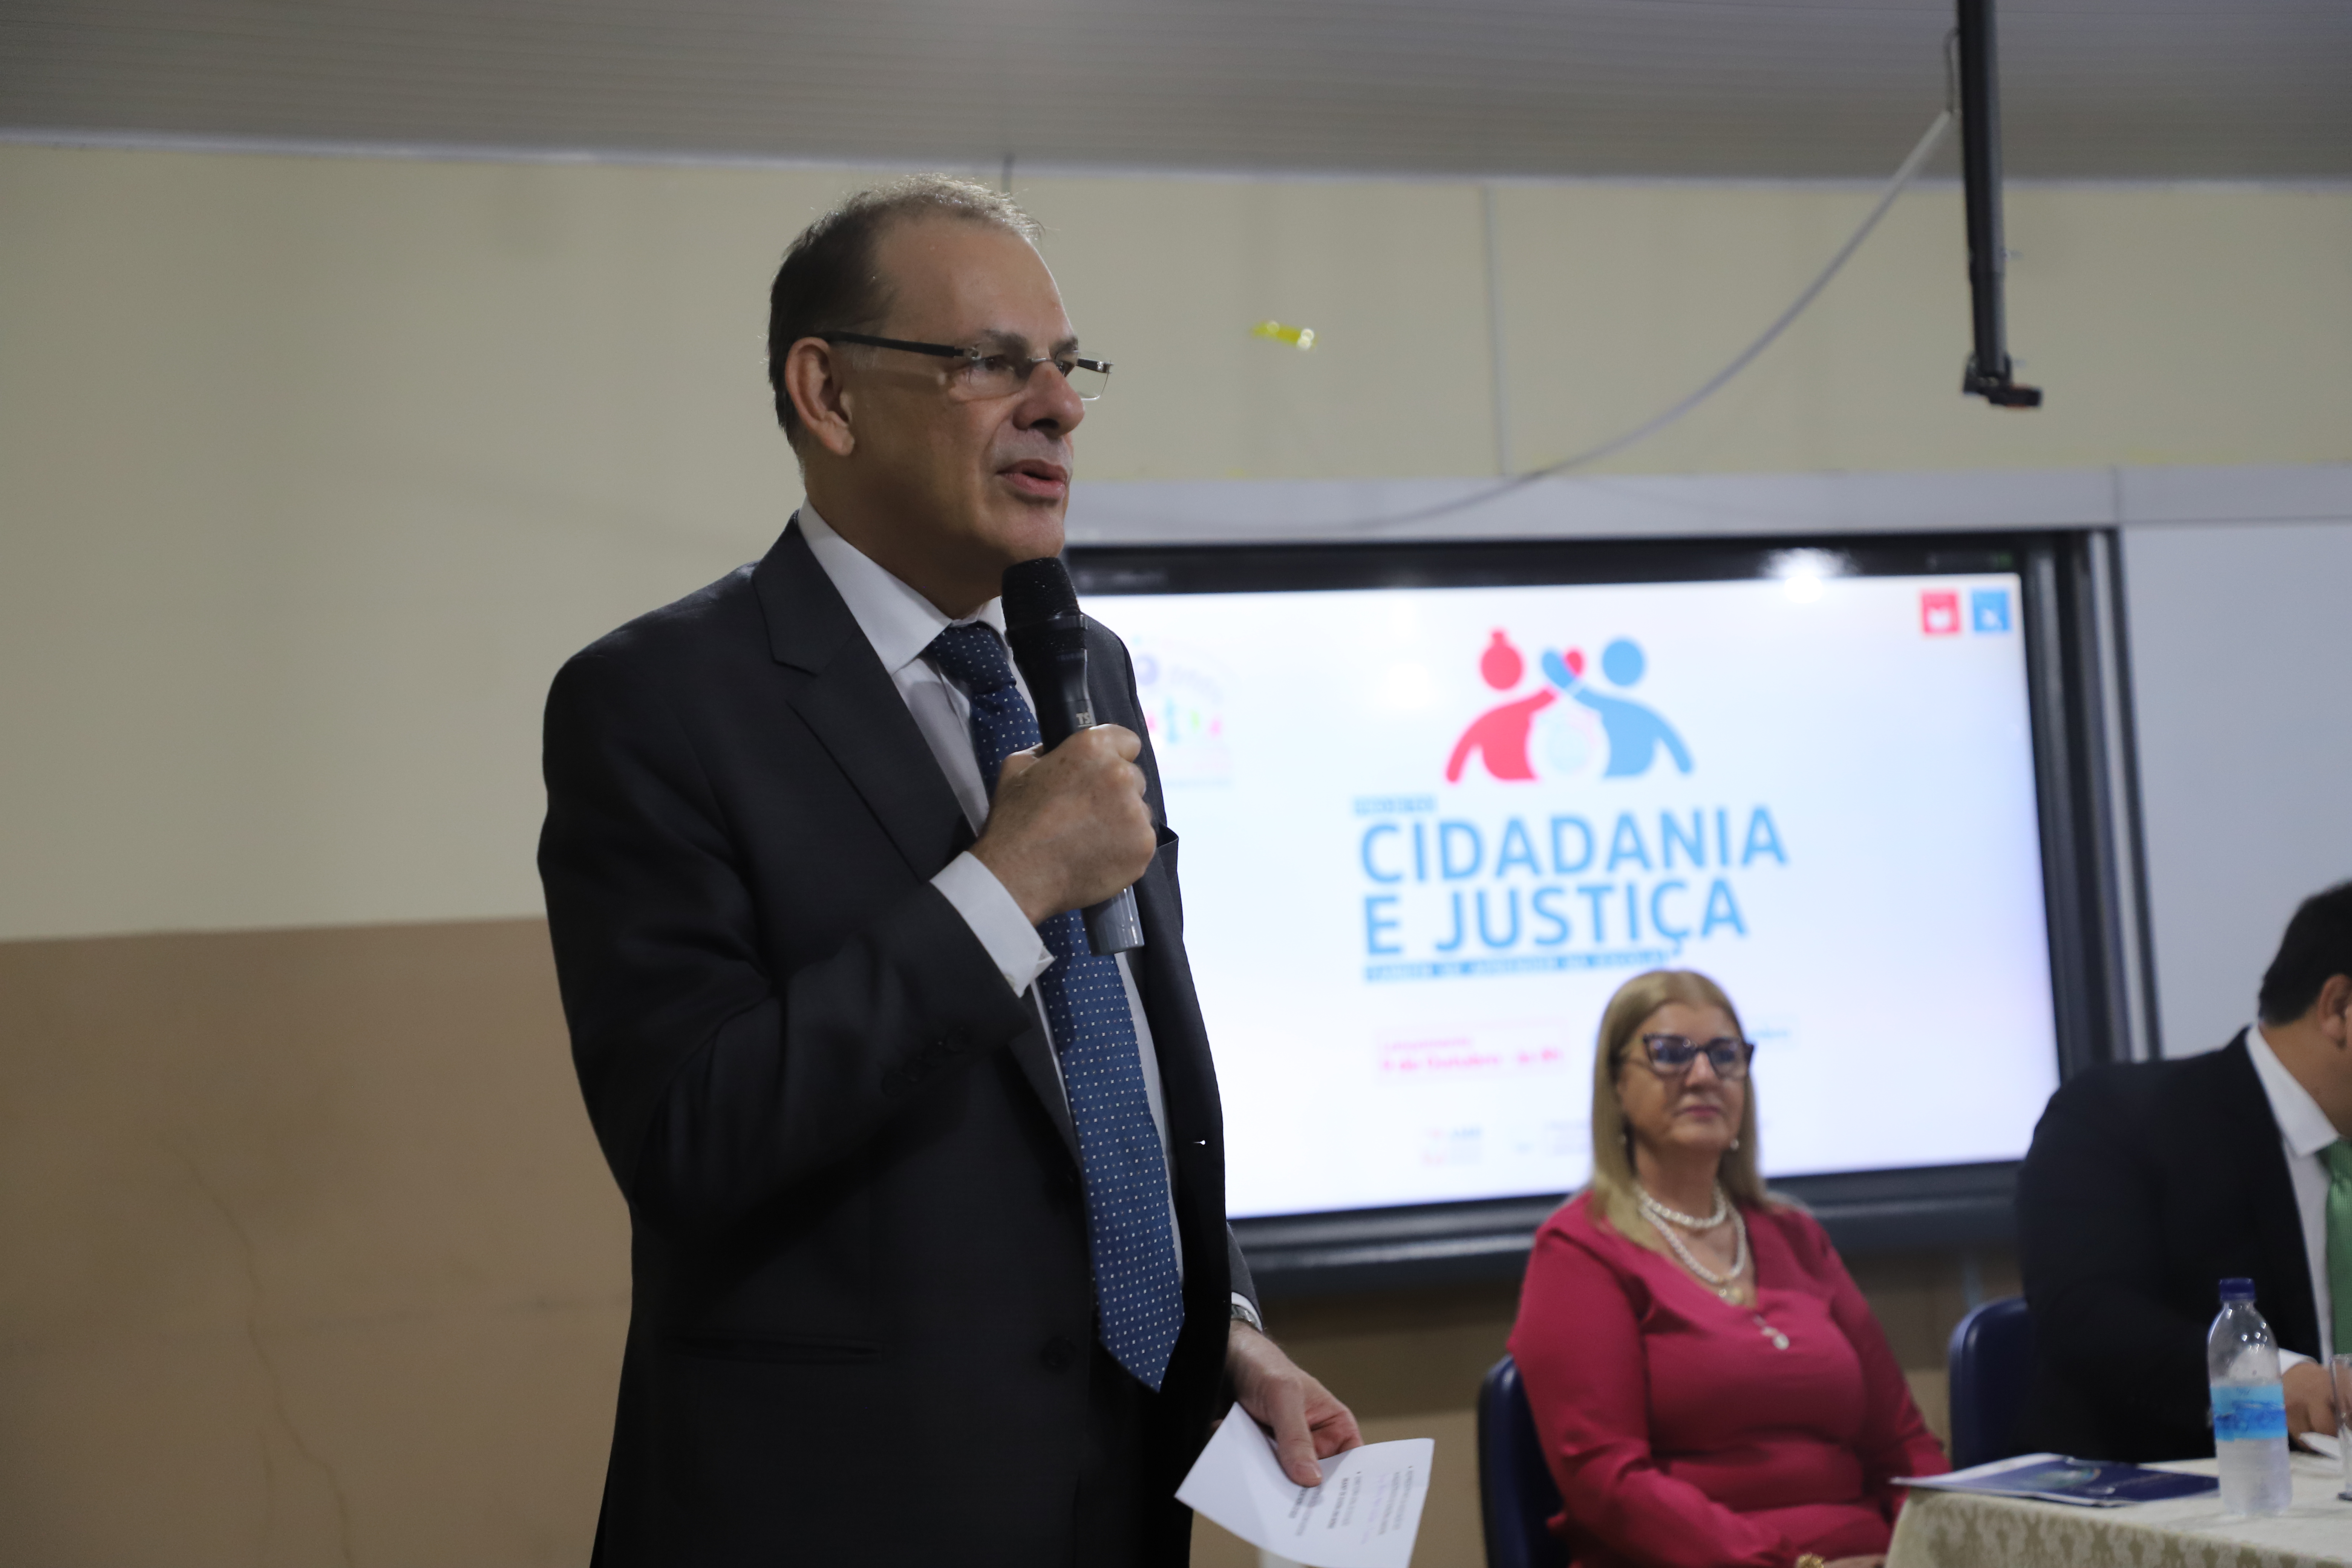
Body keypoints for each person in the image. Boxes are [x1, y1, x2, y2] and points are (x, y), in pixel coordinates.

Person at [537, 176, 1358, 1568]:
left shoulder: (1084, 666)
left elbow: (1112, 1066)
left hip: (1123, 1487)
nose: (1060, 408)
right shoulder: (659, 700)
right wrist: (1005, 884)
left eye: (1069, 367)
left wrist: (1220, 1322)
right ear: (829, 393)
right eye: (992, 362)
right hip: (840, 1514)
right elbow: (691, 1135)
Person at [1510, 970, 1945, 1568]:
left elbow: (1902, 1443)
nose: (1703, 1075)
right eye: (1670, 1054)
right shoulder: (1579, 1251)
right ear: (1615, 1086)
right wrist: (1792, 1565)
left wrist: (1937, 1545)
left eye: (1725, 1055)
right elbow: (1607, 1482)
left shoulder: (1797, 1237)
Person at [2018, 880, 2352, 1460]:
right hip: (2182, 1486)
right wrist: (2267, 1377)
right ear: (2339, 1008)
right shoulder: (2117, 1118)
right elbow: (2086, 1314)